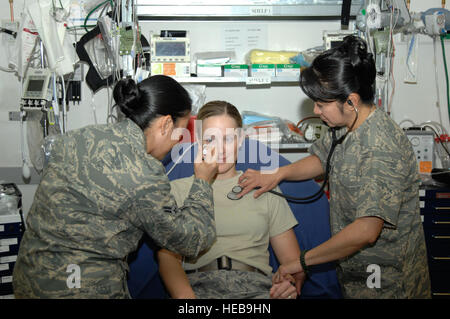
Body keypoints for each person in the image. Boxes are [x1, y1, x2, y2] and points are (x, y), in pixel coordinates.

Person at [237, 36, 431, 299]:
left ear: (350, 101)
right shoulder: (344, 125)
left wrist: (301, 261)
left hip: (388, 281)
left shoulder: (380, 147)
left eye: (321, 103)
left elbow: (366, 230)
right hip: (356, 274)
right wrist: (278, 174)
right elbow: (321, 159)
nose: (316, 111)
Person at [12, 75, 218, 298]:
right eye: (179, 133)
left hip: (28, 278)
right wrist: (203, 181)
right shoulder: (143, 172)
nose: (177, 142)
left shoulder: (76, 137)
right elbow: (191, 240)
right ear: (166, 124)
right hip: (77, 289)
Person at [157, 101, 304, 299]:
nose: (220, 149)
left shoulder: (264, 187)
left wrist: (287, 284)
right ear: (198, 141)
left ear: (241, 140)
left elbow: (292, 263)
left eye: (227, 139)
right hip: (198, 289)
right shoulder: (177, 191)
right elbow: (168, 259)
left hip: (257, 290)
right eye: (210, 139)